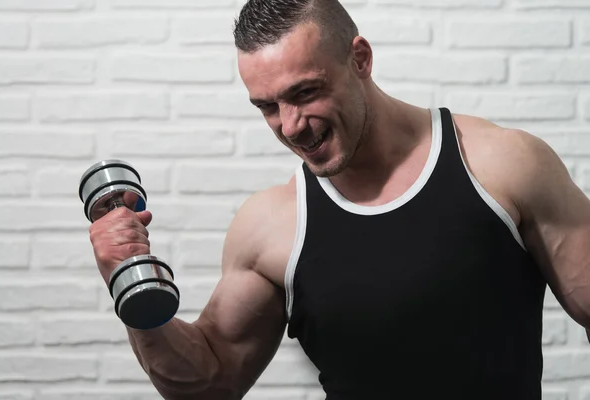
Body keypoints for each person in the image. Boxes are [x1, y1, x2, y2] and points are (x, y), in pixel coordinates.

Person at [87, 0, 590, 399]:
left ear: (361, 59)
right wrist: (134, 287)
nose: (290, 126)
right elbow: (209, 384)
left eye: (305, 93)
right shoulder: (272, 226)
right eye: (267, 107)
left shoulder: (502, 166)